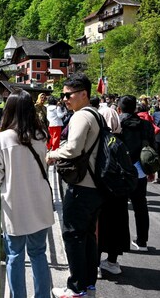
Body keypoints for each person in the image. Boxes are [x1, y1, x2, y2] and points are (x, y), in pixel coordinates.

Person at [0, 88, 54, 298]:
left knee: (15, 255)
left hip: (15, 206)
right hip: (40, 204)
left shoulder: (1, 140)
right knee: (39, 254)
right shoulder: (40, 135)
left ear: (9, 110)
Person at [47, 73, 102, 298]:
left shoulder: (81, 116)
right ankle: (88, 284)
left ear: (83, 94)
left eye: (68, 95)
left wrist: (51, 154)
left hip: (82, 186)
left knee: (73, 235)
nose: (64, 99)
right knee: (88, 235)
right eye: (63, 95)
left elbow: (73, 149)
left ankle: (75, 287)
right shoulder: (96, 114)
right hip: (96, 186)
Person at [118, 95, 156, 252]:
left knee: (120, 208)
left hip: (120, 171)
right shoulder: (146, 125)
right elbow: (153, 147)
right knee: (140, 206)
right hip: (140, 169)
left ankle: (121, 242)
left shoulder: (117, 123)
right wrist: (152, 170)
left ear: (119, 108)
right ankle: (142, 241)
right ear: (135, 108)